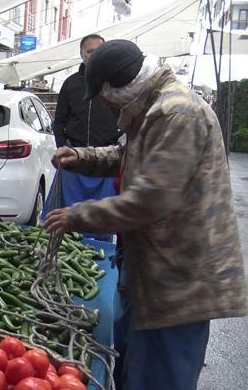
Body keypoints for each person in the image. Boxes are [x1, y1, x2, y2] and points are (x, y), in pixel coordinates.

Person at [44, 39, 248, 390]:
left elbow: (150, 200)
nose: (105, 102)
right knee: (134, 372)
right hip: (153, 271)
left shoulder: (176, 113)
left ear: (119, 84)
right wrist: (82, 157)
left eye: (104, 93)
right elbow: (127, 155)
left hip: (178, 282)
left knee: (159, 378)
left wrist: (78, 215)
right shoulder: (155, 105)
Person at [42, 34, 120, 238]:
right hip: (74, 162)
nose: (94, 56)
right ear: (81, 54)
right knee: (66, 220)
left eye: (99, 51)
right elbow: (59, 121)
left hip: (106, 163)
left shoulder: (115, 84)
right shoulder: (71, 84)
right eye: (89, 51)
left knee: (102, 220)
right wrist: (62, 148)